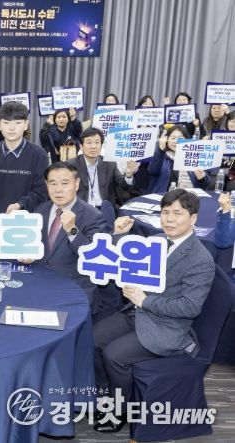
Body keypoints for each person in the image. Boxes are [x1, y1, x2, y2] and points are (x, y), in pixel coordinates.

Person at [92, 189, 215, 433]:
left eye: (177, 214)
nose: (169, 219)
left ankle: (119, 410)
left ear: (193, 218)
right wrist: (119, 236)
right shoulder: (157, 240)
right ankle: (106, 395)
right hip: (137, 312)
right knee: (92, 339)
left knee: (114, 356)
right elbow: (120, 262)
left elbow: (190, 307)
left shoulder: (200, 259)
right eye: (165, 212)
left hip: (167, 326)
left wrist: (145, 300)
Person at [18, 162, 108, 311]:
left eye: (65, 183)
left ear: (76, 184)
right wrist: (30, 254)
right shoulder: (41, 209)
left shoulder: (94, 216)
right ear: (46, 185)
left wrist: (72, 230)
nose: (58, 189)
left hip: (74, 289)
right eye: (53, 184)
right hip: (40, 282)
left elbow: (95, 259)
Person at [0, 101, 48, 214]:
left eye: (17, 123)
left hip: (26, 218)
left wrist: (21, 204)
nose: (11, 128)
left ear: (26, 125)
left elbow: (41, 192)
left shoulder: (39, 155)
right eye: (6, 123)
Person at [68, 127, 137, 209]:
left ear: (101, 146)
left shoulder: (110, 164)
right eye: (89, 142)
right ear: (81, 146)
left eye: (97, 142)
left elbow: (124, 186)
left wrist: (128, 175)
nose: (93, 146)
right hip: (81, 209)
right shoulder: (71, 165)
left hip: (104, 208)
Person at [147, 125, 210, 193]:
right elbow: (153, 171)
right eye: (173, 138)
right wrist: (160, 149)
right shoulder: (160, 156)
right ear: (167, 139)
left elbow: (206, 183)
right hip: (165, 196)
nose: (176, 141)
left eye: (180, 138)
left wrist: (202, 179)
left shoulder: (193, 156)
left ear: (186, 139)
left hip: (191, 196)